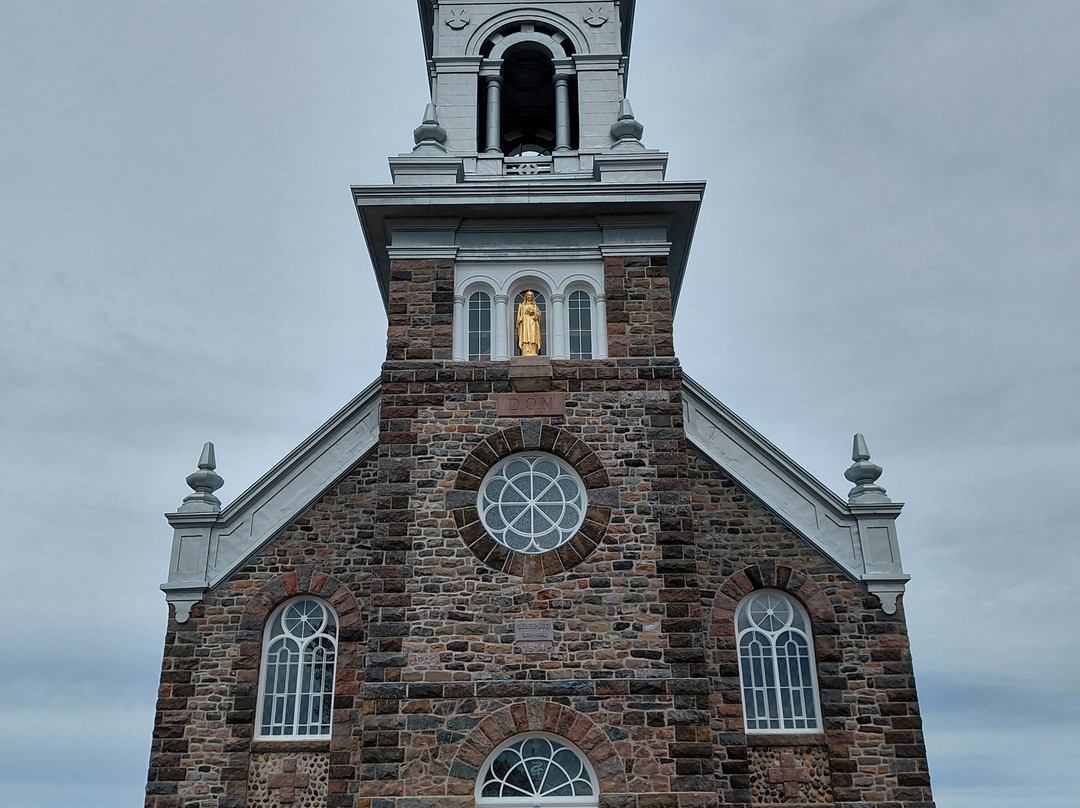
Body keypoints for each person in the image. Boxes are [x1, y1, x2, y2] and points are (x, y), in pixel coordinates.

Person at [516, 291, 542, 355]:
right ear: (526, 296)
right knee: (525, 336)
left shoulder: (535, 306)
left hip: (533, 322)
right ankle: (526, 350)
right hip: (525, 323)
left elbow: (539, 314)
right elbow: (519, 317)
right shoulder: (522, 306)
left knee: (533, 335)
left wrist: (533, 312)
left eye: (530, 295)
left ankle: (533, 350)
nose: (529, 297)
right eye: (528, 295)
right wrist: (523, 316)